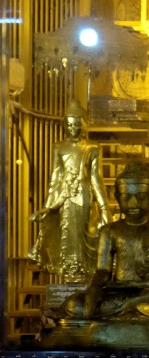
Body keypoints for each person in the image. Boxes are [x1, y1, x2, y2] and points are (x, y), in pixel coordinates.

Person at [51, 159, 149, 349]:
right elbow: (103, 270)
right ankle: (129, 311)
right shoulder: (110, 231)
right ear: (117, 197)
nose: (133, 203)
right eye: (126, 196)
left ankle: (129, 312)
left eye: (141, 197)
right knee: (75, 304)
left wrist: (146, 284)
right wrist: (94, 290)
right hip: (118, 294)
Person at [29, 98, 110, 281]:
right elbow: (55, 179)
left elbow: (96, 179)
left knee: (85, 235)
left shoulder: (92, 147)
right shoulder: (58, 147)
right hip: (64, 198)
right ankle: (69, 274)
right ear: (65, 126)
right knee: (66, 233)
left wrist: (104, 208)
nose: (73, 129)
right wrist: (48, 206)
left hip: (85, 196)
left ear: (83, 125)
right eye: (70, 125)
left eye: (77, 125)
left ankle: (83, 272)